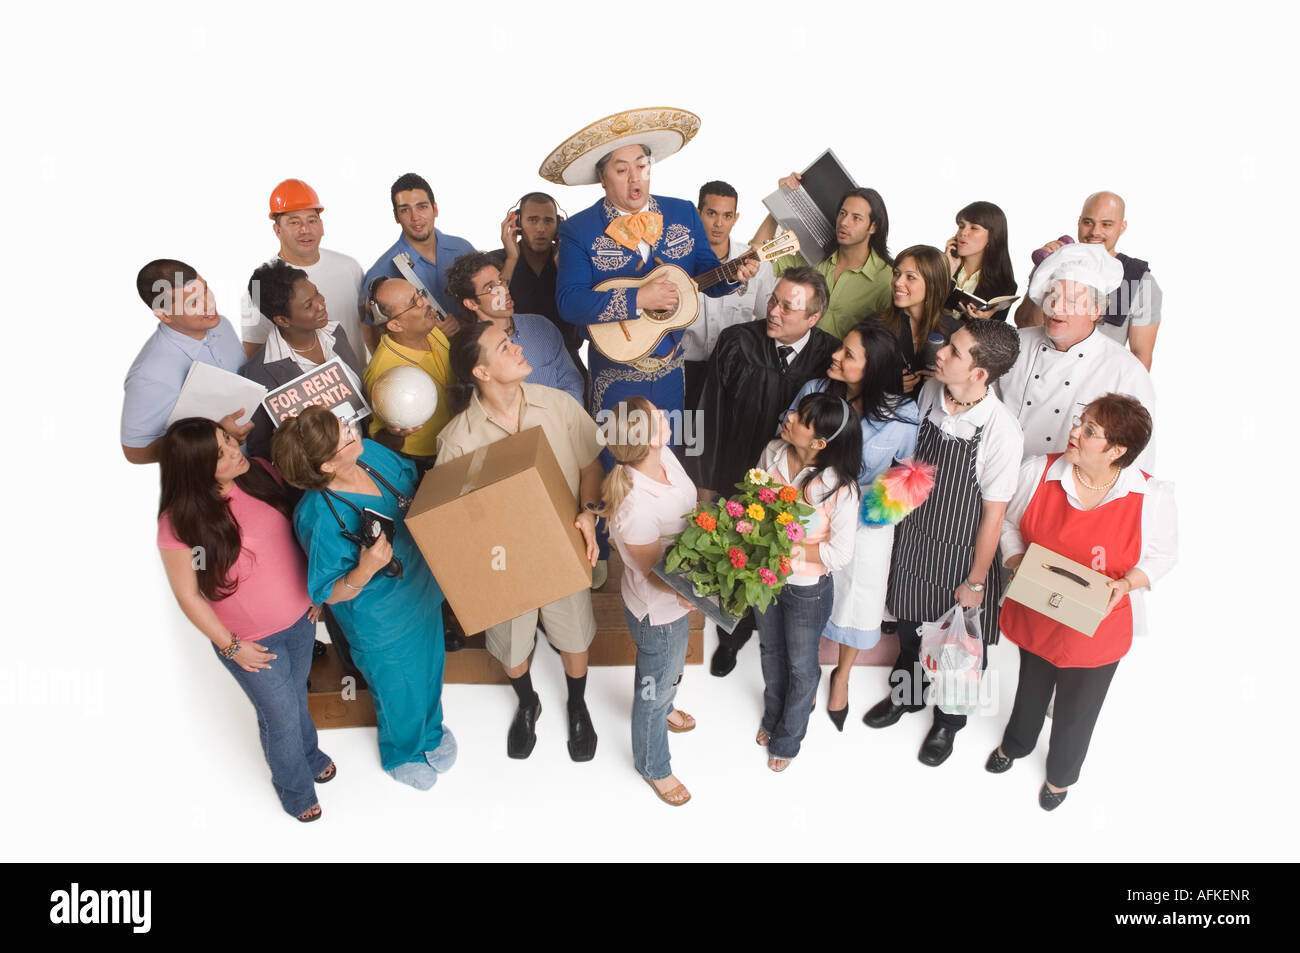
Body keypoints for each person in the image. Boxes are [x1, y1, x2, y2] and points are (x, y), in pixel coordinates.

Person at [989, 394, 1177, 810]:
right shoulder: (1039, 472)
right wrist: (1016, 558)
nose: (1075, 432)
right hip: (1039, 608)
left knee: (1078, 709)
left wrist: (1127, 584)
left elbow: (1164, 555)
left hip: (1097, 627)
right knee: (1031, 688)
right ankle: (1015, 745)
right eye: (1081, 422)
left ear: (1117, 451)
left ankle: (1060, 777)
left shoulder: (1151, 497)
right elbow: (1009, 523)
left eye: (1090, 431)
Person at [435, 321, 604, 762]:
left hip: (563, 545)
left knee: (574, 636)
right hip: (502, 561)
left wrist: (588, 511)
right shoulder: (457, 439)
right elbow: (452, 517)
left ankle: (577, 702)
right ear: (482, 373)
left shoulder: (559, 405)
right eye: (504, 347)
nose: (518, 349)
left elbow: (590, 466)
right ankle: (528, 701)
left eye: (513, 341)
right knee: (511, 645)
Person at [156, 418, 334, 822]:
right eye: (220, 453)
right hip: (251, 641)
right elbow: (187, 594)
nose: (236, 451)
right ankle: (295, 791)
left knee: (296, 699)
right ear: (195, 468)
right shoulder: (179, 521)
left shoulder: (260, 475)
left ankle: (311, 754)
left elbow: (301, 536)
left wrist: (316, 593)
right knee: (281, 717)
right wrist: (231, 646)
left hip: (301, 619)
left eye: (228, 440)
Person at [866, 320, 1024, 766]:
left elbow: (994, 516)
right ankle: (907, 696)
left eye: (954, 351)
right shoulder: (932, 394)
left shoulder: (1000, 431)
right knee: (914, 630)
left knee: (958, 651)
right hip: (916, 539)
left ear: (979, 374)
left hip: (962, 555)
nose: (940, 352)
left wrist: (975, 582)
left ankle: (947, 724)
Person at [273, 406, 453, 791]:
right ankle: (403, 753)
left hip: (421, 587)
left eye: (343, 425)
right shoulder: (320, 517)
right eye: (342, 437)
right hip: (381, 620)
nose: (351, 431)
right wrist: (365, 569)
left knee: (431, 668)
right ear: (324, 467)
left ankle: (432, 733)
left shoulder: (370, 453)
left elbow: (410, 483)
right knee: (397, 689)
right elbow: (327, 593)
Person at [547, 109, 761, 429]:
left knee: (668, 459)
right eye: (621, 170)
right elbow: (569, 302)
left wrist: (733, 274)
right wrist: (638, 299)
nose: (635, 178)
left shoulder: (683, 212)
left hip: (671, 369)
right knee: (616, 462)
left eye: (642, 167)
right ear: (602, 178)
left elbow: (706, 274)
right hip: (615, 373)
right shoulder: (578, 230)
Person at [696, 267, 840, 677]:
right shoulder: (737, 342)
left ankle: (772, 640)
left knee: (779, 563)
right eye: (773, 299)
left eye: (788, 307)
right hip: (733, 474)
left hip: (793, 487)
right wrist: (705, 488)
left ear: (813, 318)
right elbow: (707, 416)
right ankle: (731, 636)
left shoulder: (828, 357)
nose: (773, 311)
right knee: (735, 561)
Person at [785, 321, 920, 728]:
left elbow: (908, 474)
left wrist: (873, 512)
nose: (836, 357)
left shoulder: (904, 415)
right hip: (811, 507)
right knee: (803, 593)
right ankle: (804, 677)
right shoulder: (814, 392)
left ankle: (843, 673)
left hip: (867, 520)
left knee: (858, 599)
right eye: (840, 349)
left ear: (874, 368)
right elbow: (791, 442)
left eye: (849, 355)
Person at [754, 392, 862, 771]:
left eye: (802, 418)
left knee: (802, 666)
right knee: (770, 651)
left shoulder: (840, 488)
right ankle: (771, 717)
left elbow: (839, 554)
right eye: (797, 411)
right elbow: (756, 500)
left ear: (819, 443)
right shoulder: (773, 453)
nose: (790, 417)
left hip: (807, 590)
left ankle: (788, 737)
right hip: (765, 578)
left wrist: (790, 554)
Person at [602, 397, 699, 806]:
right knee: (651, 692)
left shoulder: (665, 458)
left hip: (676, 603)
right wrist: (691, 596)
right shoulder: (635, 506)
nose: (666, 416)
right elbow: (651, 574)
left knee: (670, 670)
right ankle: (652, 764)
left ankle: (667, 702)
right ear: (645, 437)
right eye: (658, 416)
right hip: (657, 612)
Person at [996, 243, 1157, 471]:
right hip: (996, 477)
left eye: (1071, 301)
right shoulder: (1013, 344)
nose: (1056, 308)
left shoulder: (1125, 371)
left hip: (1067, 492)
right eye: (1052, 296)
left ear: (1095, 310)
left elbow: (1136, 459)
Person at [122, 259, 251, 465]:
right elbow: (135, 453)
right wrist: (213, 434)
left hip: (258, 462)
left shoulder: (221, 325)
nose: (209, 305)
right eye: (193, 303)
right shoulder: (149, 374)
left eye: (206, 290)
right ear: (164, 315)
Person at [1014, 191, 1162, 369]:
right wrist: (1044, 269)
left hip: (1096, 381)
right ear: (1079, 222)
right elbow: (1025, 325)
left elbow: (1141, 355)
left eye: (1106, 224)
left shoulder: (1140, 282)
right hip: (1039, 372)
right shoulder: (1054, 266)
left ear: (1122, 227)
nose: (1095, 232)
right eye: (1087, 222)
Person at [239, 259, 365, 461]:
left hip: (368, 457)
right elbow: (263, 450)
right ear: (282, 320)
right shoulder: (258, 374)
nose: (321, 304)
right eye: (308, 305)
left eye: (316, 292)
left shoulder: (335, 332)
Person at [240, 179, 371, 361]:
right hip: (304, 387)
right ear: (277, 230)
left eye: (312, 220)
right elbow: (253, 351)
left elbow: (367, 323)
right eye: (294, 223)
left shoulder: (349, 267)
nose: (305, 230)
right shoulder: (259, 284)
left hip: (356, 378)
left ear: (322, 225)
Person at [752, 179, 893, 340]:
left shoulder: (886, 279)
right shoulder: (814, 255)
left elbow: (886, 341)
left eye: (856, 218)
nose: (844, 222)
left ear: (873, 227)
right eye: (842, 213)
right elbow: (757, 256)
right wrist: (777, 204)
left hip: (839, 363)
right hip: (795, 358)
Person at [682, 180, 776, 420]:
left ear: (736, 218)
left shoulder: (755, 265)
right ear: (697, 213)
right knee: (680, 443)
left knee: (719, 447)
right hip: (683, 371)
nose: (718, 223)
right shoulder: (678, 261)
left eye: (727, 215)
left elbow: (768, 319)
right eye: (711, 213)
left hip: (732, 374)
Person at [445, 251, 583, 403]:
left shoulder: (542, 326)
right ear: (471, 303)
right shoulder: (471, 350)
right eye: (490, 288)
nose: (503, 290)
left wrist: (564, 420)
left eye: (501, 281)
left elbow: (572, 381)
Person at [361, 277, 457, 469]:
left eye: (419, 294)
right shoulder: (383, 372)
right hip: (429, 461)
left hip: (459, 440)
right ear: (395, 325)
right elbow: (379, 441)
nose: (426, 303)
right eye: (414, 303)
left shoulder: (430, 329)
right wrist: (393, 434)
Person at [362, 173, 477, 317]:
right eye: (405, 210)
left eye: (421, 207)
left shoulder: (462, 248)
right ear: (396, 216)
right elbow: (372, 332)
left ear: (435, 209)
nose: (415, 217)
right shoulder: (380, 272)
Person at [506, 191, 585, 376]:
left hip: (565, 361)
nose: (541, 228)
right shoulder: (497, 262)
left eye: (548, 221)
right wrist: (510, 260)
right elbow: (491, 306)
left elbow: (581, 318)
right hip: (515, 363)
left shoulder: (571, 263)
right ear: (517, 223)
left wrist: (564, 269)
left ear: (558, 225)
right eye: (533, 220)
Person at [872, 245, 960, 398]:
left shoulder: (957, 332)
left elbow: (970, 387)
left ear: (933, 284)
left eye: (910, 277)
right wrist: (884, 381)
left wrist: (945, 383)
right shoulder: (876, 325)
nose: (898, 282)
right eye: (896, 274)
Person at [944, 200, 1018, 321]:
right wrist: (946, 271)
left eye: (974, 228)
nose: (963, 232)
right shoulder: (940, 267)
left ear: (993, 236)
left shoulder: (1005, 286)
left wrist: (984, 322)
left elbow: (996, 336)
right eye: (961, 226)